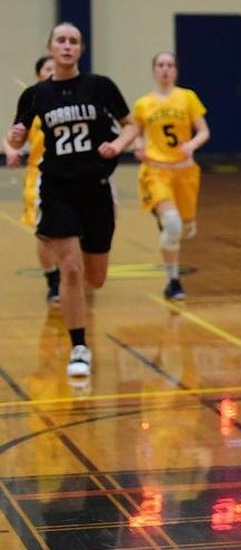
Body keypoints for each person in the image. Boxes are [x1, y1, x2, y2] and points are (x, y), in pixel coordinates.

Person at [7, 22, 140, 381]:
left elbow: (131, 125)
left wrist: (119, 144)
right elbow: (15, 138)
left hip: (95, 187)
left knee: (95, 279)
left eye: (74, 41)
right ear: (50, 47)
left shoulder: (100, 87)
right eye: (61, 41)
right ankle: (79, 346)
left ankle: (78, 277)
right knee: (70, 269)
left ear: (81, 49)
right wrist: (13, 141)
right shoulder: (35, 95)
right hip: (57, 188)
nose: (67, 46)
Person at [131, 52, 211, 300]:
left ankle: (174, 224)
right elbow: (134, 131)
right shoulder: (143, 103)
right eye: (160, 65)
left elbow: (204, 131)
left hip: (185, 171)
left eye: (170, 65)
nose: (165, 69)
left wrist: (192, 145)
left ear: (176, 70)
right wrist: (137, 146)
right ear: (154, 70)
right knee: (173, 225)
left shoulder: (187, 97)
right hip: (156, 171)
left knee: (184, 229)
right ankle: (173, 280)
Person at [3, 55, 59, 302]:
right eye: (47, 68)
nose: (51, 71)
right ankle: (53, 280)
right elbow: (11, 137)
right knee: (45, 232)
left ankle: (70, 274)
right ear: (39, 75)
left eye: (54, 68)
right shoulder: (33, 103)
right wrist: (12, 149)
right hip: (39, 175)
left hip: (71, 174)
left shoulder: (73, 100)